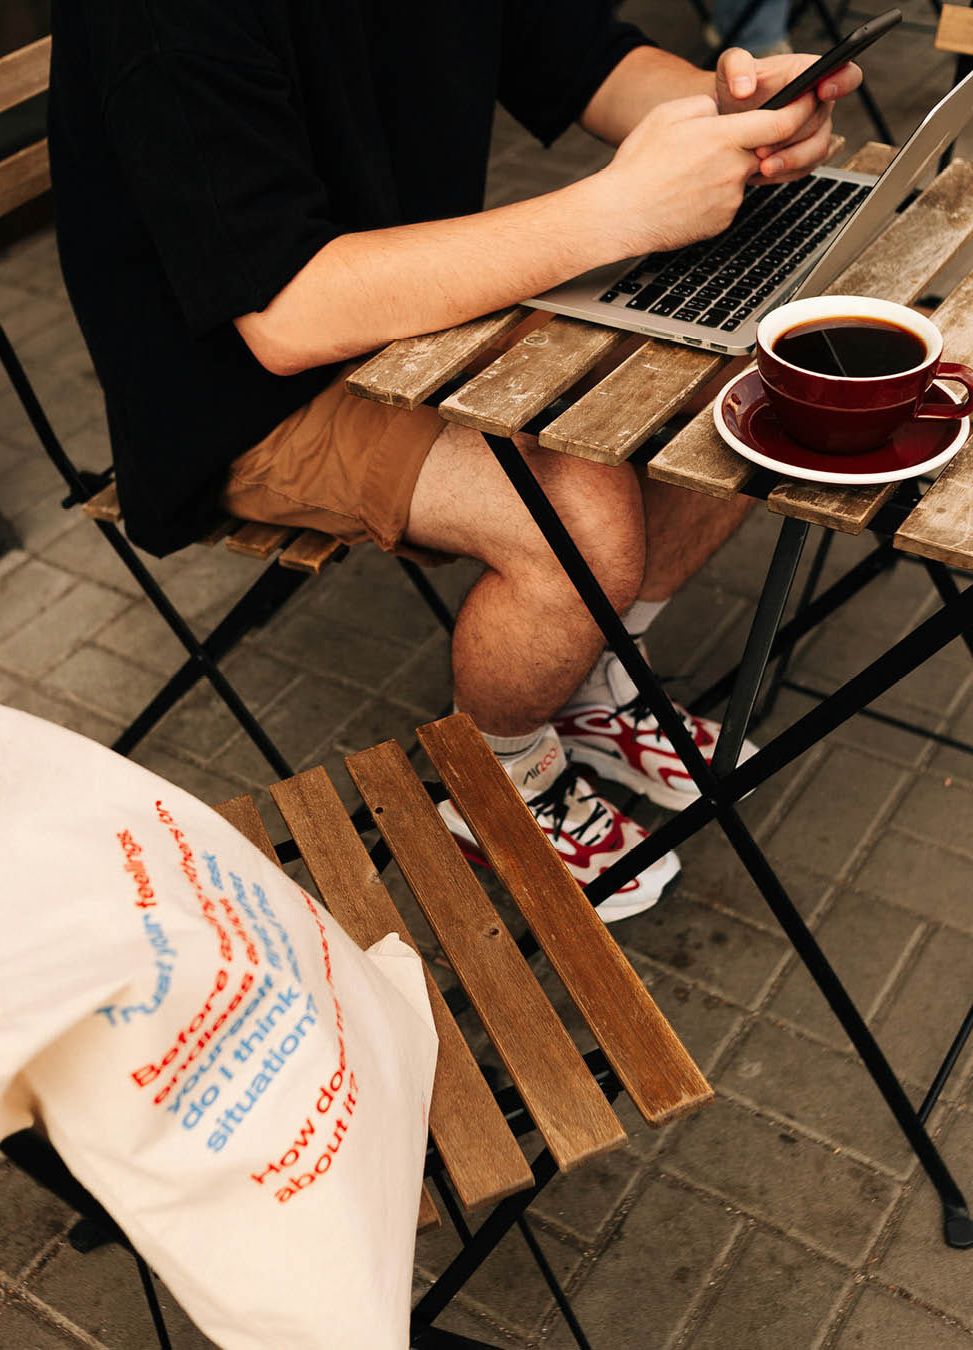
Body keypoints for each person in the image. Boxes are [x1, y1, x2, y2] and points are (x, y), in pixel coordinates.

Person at [48, 2, 861, 919]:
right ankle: (503, 779)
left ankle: (595, 680)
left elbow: (587, 61)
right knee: (578, 522)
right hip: (240, 393)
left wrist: (743, 117)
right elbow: (288, 316)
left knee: (757, 384)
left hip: (419, 305)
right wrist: (619, 212)